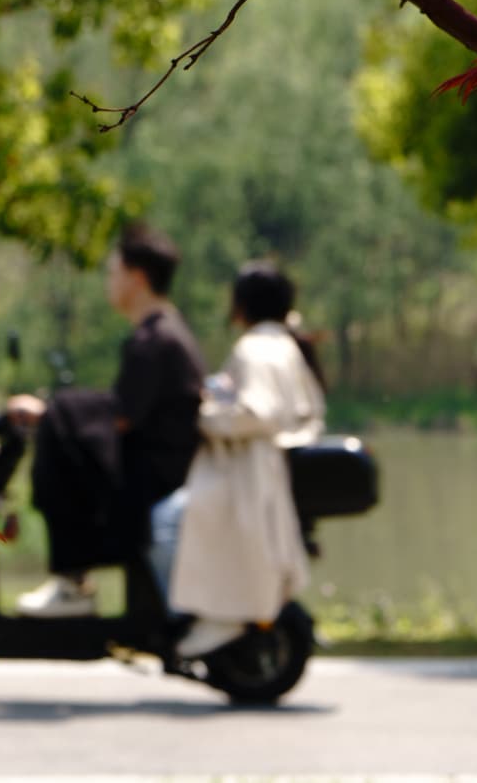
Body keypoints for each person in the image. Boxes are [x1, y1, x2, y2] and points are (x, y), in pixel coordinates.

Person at [8, 224, 207, 616]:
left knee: (60, 440)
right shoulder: (162, 334)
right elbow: (122, 409)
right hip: (160, 467)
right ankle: (73, 582)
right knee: (63, 418)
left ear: (137, 278)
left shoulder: (156, 340)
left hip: (155, 477)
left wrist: (53, 415)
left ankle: (73, 582)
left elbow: (120, 418)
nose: (108, 283)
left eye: (112, 273)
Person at [156, 260, 327, 657]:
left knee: (164, 521)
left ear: (242, 303)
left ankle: (203, 612)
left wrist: (205, 415)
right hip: (258, 467)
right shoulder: (281, 343)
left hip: (245, 469)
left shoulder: (256, 349)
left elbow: (255, 413)